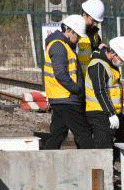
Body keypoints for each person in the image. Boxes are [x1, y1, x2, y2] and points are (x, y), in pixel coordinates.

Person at [43, 15, 92, 149]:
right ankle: (93, 165)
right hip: (66, 98)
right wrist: (76, 89)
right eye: (78, 36)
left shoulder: (64, 45)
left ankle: (47, 160)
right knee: (84, 133)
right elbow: (60, 74)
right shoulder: (59, 46)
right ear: (70, 31)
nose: (79, 40)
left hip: (62, 97)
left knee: (58, 134)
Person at [85, 36, 124, 149]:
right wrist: (111, 114)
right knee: (104, 147)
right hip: (99, 113)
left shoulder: (110, 65)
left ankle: (117, 162)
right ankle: (104, 165)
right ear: (113, 54)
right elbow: (100, 91)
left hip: (111, 111)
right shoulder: (98, 65)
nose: (121, 63)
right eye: (121, 59)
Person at [79, 0, 105, 68]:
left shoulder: (93, 33)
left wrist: (100, 49)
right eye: (93, 20)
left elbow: (94, 51)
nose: (95, 24)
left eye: (97, 22)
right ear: (85, 15)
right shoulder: (75, 32)